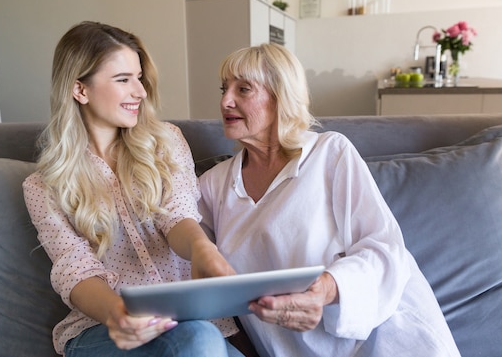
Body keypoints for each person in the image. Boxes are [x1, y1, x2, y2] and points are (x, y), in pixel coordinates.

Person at [198, 43, 462, 357]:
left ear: (281, 97)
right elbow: (170, 234)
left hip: (388, 338)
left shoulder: (328, 153)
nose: (226, 101)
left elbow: (383, 246)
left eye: (243, 89)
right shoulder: (215, 185)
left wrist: (323, 291)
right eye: (223, 89)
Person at [23, 21, 248, 357]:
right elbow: (75, 270)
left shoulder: (166, 142)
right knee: (200, 342)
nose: (140, 92)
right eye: (123, 79)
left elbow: (177, 215)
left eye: (139, 77)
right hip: (106, 330)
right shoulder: (43, 186)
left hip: (189, 324)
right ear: (80, 90)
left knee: (201, 340)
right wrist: (120, 314)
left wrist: (202, 249)